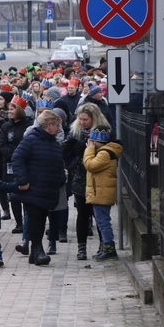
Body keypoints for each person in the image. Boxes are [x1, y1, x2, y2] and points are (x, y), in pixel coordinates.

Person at [11, 110, 66, 266]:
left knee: (40, 219)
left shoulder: (54, 144)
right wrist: (22, 180)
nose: (59, 129)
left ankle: (35, 254)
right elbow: (17, 158)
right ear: (49, 125)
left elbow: (58, 164)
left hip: (47, 189)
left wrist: (61, 178)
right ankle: (38, 251)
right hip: (33, 188)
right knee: (35, 218)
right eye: (57, 125)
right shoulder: (31, 140)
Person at [63, 103, 109, 260]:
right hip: (80, 178)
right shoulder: (76, 132)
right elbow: (65, 149)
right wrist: (74, 165)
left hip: (98, 177)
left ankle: (104, 245)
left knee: (99, 214)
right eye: (80, 119)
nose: (82, 122)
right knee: (82, 214)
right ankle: (81, 248)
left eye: (86, 119)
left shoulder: (104, 132)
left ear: (93, 118)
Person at [84, 126, 123, 261]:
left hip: (101, 192)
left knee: (103, 221)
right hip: (100, 191)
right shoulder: (106, 151)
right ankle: (106, 247)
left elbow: (90, 165)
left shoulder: (104, 153)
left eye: (92, 141)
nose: (91, 144)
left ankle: (109, 248)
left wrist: (89, 150)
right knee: (102, 221)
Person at [0, 96, 30, 236]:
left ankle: (28, 221)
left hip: (26, 163)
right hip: (10, 163)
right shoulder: (6, 126)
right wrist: (13, 155)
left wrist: (21, 155)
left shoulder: (28, 125)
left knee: (27, 192)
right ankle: (19, 223)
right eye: (9, 109)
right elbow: (2, 144)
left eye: (12, 109)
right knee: (13, 194)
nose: (9, 111)